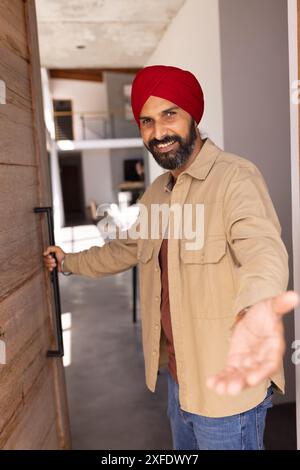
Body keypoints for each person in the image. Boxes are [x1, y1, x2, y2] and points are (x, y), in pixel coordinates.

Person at [43, 65, 299, 450]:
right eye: (146, 120)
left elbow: (263, 250)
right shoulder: (159, 192)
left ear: (193, 116)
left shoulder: (236, 178)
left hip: (226, 392)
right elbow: (125, 249)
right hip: (179, 383)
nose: (158, 132)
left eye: (169, 114)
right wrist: (68, 261)